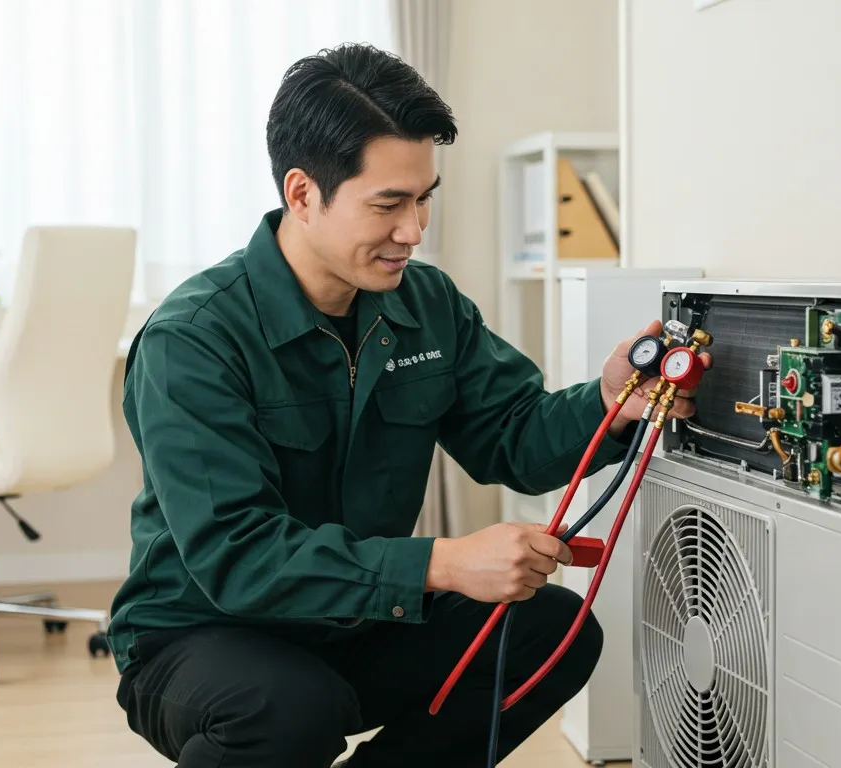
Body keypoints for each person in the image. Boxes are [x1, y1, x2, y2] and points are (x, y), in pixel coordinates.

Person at [107, 42, 706, 767]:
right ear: (303, 194)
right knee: (292, 709)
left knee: (554, 630)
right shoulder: (193, 339)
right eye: (388, 204)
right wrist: (442, 563)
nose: (414, 231)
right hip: (202, 634)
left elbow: (514, 436)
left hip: (358, 621)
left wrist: (612, 401)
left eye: (424, 199)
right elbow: (238, 556)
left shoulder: (427, 304)